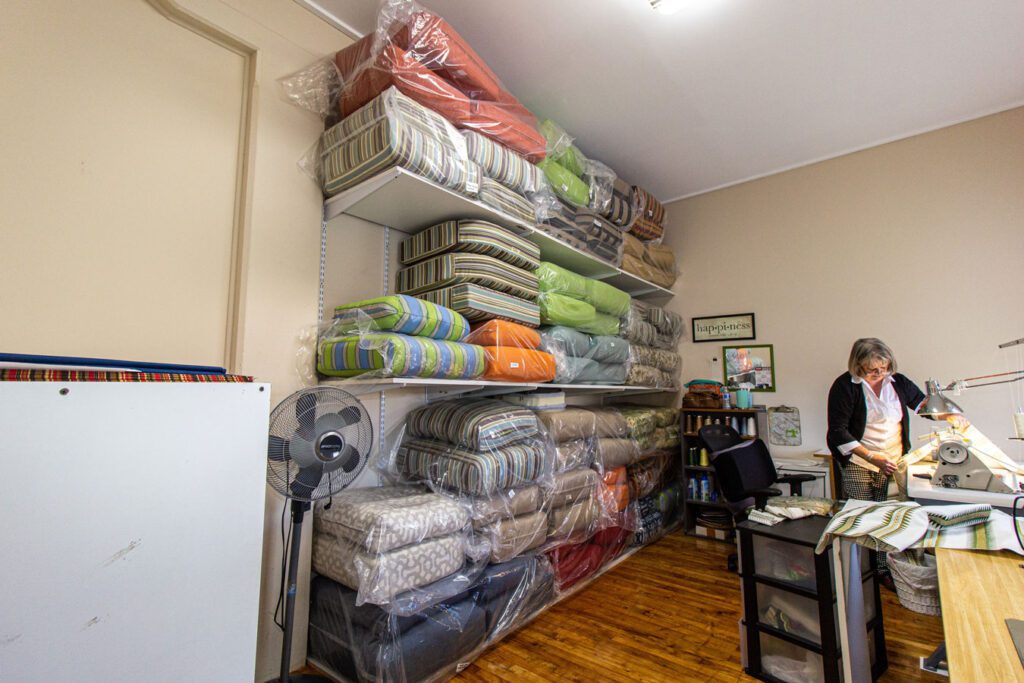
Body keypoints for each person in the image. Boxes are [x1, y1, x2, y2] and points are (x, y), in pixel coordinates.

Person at [826, 338, 927, 586]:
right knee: (865, 516)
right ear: (858, 364)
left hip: (892, 460)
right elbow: (838, 431)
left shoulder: (898, 382)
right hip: (860, 461)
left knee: (889, 515)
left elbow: (921, 404)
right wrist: (871, 457)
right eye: (873, 370)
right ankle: (866, 571)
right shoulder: (845, 386)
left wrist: (946, 413)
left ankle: (885, 568)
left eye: (884, 368)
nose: (880, 374)